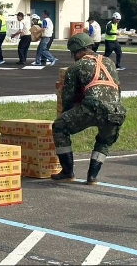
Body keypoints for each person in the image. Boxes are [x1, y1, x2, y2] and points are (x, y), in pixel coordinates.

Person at [51, 33, 126, 183]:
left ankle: (67, 172)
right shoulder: (109, 62)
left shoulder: (76, 66)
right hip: (117, 111)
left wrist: (64, 113)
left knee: (59, 127)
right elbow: (118, 89)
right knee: (104, 141)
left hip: (93, 107)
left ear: (75, 50)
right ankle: (92, 176)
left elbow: (68, 96)